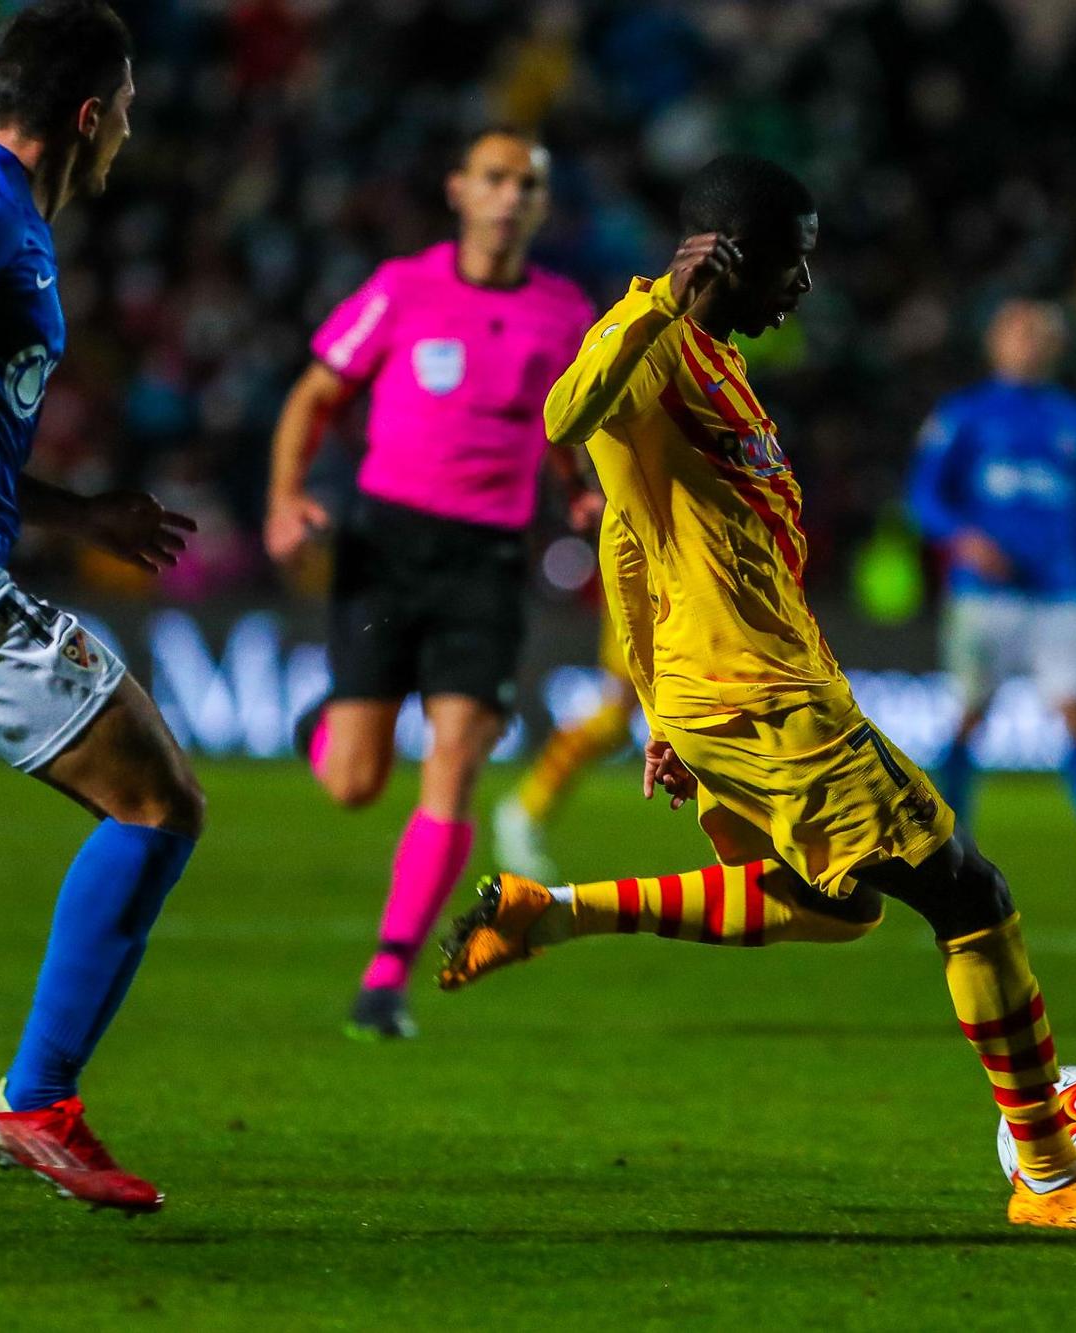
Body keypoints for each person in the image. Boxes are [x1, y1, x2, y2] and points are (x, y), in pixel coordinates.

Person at [438, 153, 1076, 1228]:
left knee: (831, 905)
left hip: (737, 692)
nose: (801, 284)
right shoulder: (651, 342)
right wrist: (662, 297)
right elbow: (565, 412)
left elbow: (635, 547)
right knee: (968, 895)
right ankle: (1049, 1175)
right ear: (727, 257)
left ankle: (547, 912)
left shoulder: (718, 365)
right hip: (760, 699)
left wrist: (660, 710)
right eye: (791, 260)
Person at [0, 0, 203, 1214]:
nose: (131, 123)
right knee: (158, 802)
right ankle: (36, 1099)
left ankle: (35, 1099)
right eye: (125, 102)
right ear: (89, 112)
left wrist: (80, 515)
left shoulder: (17, 233)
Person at [264, 127, 595, 1040]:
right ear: (458, 188)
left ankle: (386, 977)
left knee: (456, 756)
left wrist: (578, 491)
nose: (509, 196)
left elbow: (567, 421)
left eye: (527, 183)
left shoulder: (564, 313)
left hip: (486, 559)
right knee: (355, 784)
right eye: (493, 178)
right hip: (386, 546)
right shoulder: (402, 289)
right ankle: (324, 732)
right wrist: (288, 497)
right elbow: (314, 393)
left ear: (541, 202)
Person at [906, 298, 1076, 881]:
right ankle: (944, 839)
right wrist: (964, 539)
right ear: (995, 343)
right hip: (983, 593)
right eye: (1019, 333)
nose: (1031, 343)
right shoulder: (964, 415)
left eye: (1042, 334)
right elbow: (923, 497)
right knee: (971, 715)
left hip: (1061, 592)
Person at [489, 517, 640, 883]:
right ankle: (525, 810)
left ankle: (525, 810)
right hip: (646, 562)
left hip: (684, 557)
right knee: (616, 715)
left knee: (618, 719)